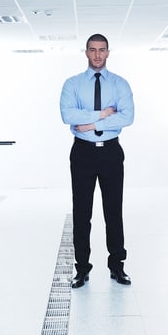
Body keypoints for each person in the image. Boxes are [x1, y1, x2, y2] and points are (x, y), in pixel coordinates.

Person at [59, 33, 134, 288]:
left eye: (102, 50)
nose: (98, 55)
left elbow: (127, 117)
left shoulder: (120, 84)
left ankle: (117, 266)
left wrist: (90, 122)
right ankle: (82, 269)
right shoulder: (72, 84)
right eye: (93, 50)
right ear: (86, 52)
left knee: (114, 211)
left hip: (111, 152)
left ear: (108, 52)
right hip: (83, 153)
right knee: (82, 213)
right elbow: (67, 115)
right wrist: (102, 113)